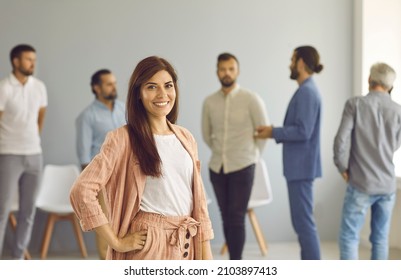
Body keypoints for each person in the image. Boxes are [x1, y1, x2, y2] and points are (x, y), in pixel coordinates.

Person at [70, 56, 214, 260]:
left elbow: (199, 207)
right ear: (138, 93)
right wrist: (116, 242)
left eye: (168, 85)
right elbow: (82, 190)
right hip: (149, 246)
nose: (162, 94)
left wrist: (207, 259)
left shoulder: (186, 138)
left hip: (186, 243)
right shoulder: (122, 138)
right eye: (152, 87)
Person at [255, 46, 323, 260]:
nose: (290, 64)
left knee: (303, 223)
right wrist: (273, 131)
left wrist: (272, 132)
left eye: (292, 60)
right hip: (300, 167)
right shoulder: (306, 90)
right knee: (301, 222)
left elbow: (303, 131)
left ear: (301, 62)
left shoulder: (307, 92)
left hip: (301, 168)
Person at [202, 52, 269, 260]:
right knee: (225, 216)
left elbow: (263, 133)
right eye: (223, 69)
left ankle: (235, 265)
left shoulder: (251, 99)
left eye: (231, 69)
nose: (227, 73)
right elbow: (206, 134)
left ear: (237, 71)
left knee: (237, 217)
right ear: (217, 72)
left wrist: (252, 155)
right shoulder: (209, 102)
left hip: (243, 166)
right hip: (217, 168)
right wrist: (220, 151)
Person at [333, 63, 401, 260]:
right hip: (387, 184)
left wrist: (342, 166)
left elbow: (341, 141)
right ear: (390, 86)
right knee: (380, 239)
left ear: (369, 80)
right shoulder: (398, 111)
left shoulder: (355, 104)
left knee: (349, 236)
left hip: (361, 181)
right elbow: (395, 144)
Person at [0, 44, 47, 259]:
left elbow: (40, 118)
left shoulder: (39, 87)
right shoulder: (3, 88)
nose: (33, 64)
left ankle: (17, 259)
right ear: (15, 61)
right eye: (28, 59)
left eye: (34, 60)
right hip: (8, 154)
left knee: (28, 212)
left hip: (34, 155)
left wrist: (32, 140)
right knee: (2, 210)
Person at [75, 69, 125, 259]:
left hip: (128, 175)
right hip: (102, 178)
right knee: (105, 224)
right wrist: (92, 187)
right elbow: (83, 155)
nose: (114, 87)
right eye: (109, 84)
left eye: (115, 83)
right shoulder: (87, 116)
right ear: (97, 88)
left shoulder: (124, 109)